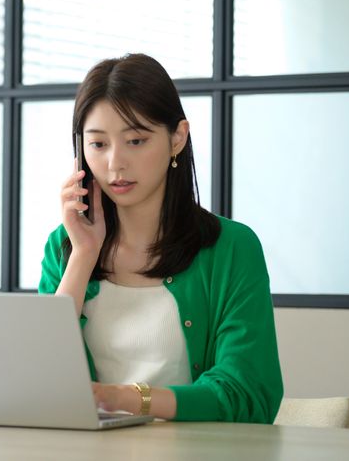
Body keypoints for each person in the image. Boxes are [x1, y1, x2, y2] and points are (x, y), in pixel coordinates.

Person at [38, 53, 283, 423]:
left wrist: (126, 399)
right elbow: (38, 377)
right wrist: (83, 256)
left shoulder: (232, 248)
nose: (115, 163)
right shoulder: (66, 247)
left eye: (135, 141)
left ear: (177, 139)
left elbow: (247, 393)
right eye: (98, 144)